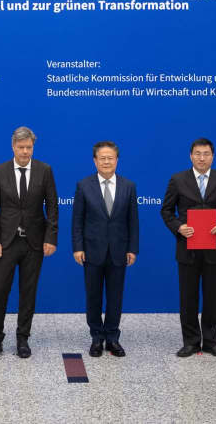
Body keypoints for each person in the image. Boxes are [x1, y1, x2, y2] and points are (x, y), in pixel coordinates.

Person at [160, 137, 216, 358]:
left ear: (213, 156)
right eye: (197, 153)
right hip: (187, 249)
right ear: (190, 155)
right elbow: (166, 212)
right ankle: (191, 341)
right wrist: (179, 227)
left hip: (215, 248)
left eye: (206, 154)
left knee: (213, 297)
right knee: (188, 297)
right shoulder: (177, 180)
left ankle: (211, 341)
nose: (201, 158)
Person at [0, 126, 58, 360]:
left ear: (33, 147)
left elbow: (53, 207)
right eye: (21, 147)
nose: (25, 152)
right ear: (13, 147)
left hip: (34, 243)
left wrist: (51, 237)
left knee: (28, 292)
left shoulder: (45, 170)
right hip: (5, 243)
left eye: (29, 147)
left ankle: (22, 338)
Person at [72, 141, 139, 358]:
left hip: (119, 251)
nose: (107, 161)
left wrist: (132, 248)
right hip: (91, 251)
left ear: (117, 160)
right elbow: (77, 221)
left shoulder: (128, 186)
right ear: (95, 161)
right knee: (93, 297)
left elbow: (133, 222)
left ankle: (112, 337)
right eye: (102, 158)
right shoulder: (84, 185)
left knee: (115, 297)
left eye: (111, 158)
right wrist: (77, 247)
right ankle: (96, 337)